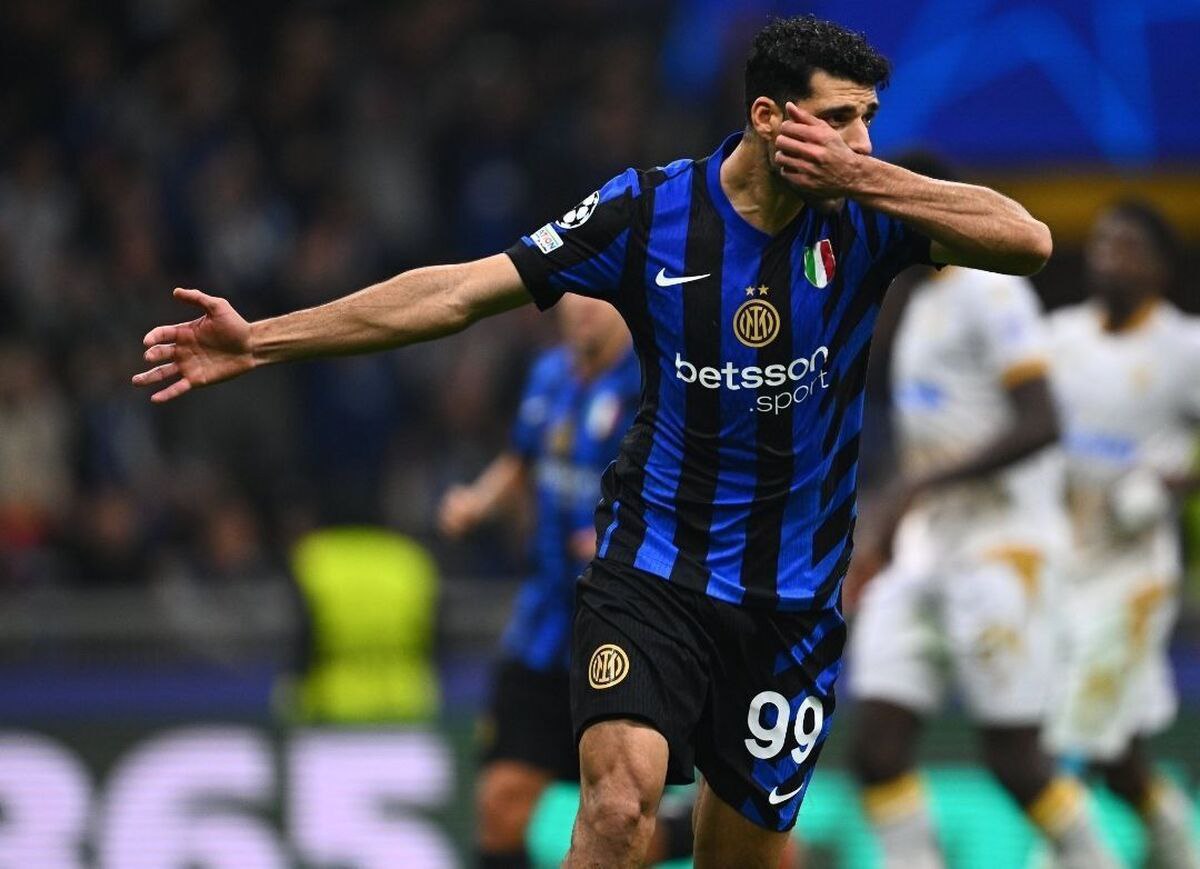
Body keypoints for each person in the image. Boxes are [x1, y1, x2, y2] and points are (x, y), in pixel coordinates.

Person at [133, 16, 1053, 865]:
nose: (862, 142)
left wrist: (863, 178)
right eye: (839, 119)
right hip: (653, 571)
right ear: (769, 118)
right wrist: (263, 339)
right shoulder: (648, 211)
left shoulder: (868, 212)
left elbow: (1028, 241)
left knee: (739, 857)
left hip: (792, 604)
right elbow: (457, 292)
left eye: (868, 121)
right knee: (616, 809)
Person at [841, 157, 1115, 869]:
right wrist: (887, 521)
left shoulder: (992, 289)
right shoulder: (918, 298)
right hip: (931, 546)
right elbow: (935, 436)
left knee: (1014, 759)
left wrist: (916, 487)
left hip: (1004, 545)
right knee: (875, 747)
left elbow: (1041, 420)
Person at [437, 294, 675, 867]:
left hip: (625, 629)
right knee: (500, 806)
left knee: (622, 819)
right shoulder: (547, 375)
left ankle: (730, 838)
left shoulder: (658, 384)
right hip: (543, 623)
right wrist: (479, 501)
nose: (582, 310)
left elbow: (690, 489)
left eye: (598, 297)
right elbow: (521, 461)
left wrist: (624, 538)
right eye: (572, 296)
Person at [1045, 201, 1200, 869]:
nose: (1110, 255)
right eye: (1103, 242)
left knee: (1069, 736)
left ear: (1160, 268)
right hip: (1062, 559)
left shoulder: (1185, 346)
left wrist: (1171, 480)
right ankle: (1181, 845)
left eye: (1129, 245)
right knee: (1117, 755)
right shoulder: (1059, 337)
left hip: (1134, 574)